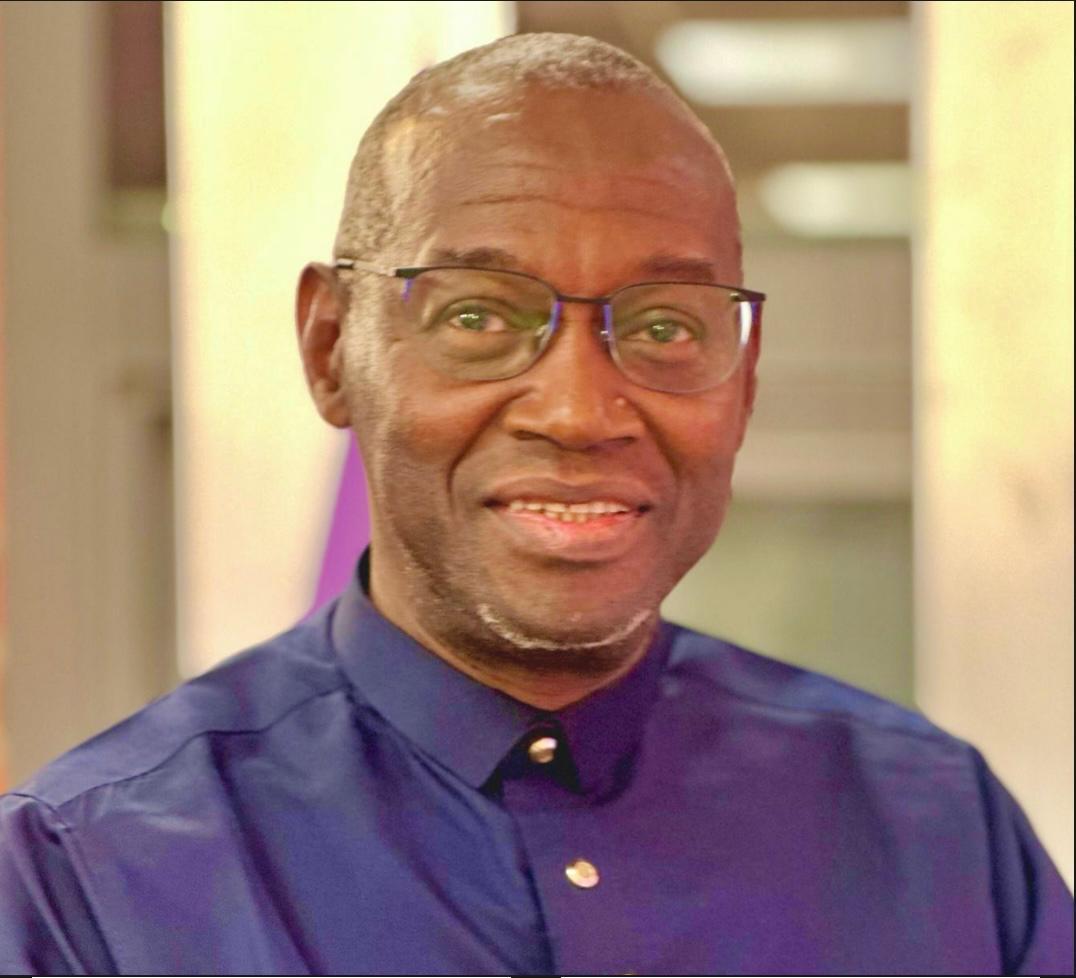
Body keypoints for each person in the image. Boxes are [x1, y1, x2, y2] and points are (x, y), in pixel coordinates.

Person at [1, 31, 1072, 976]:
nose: (578, 412)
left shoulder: (933, 832)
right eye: (477, 316)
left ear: (744, 381)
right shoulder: (89, 877)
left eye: (662, 327)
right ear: (331, 350)